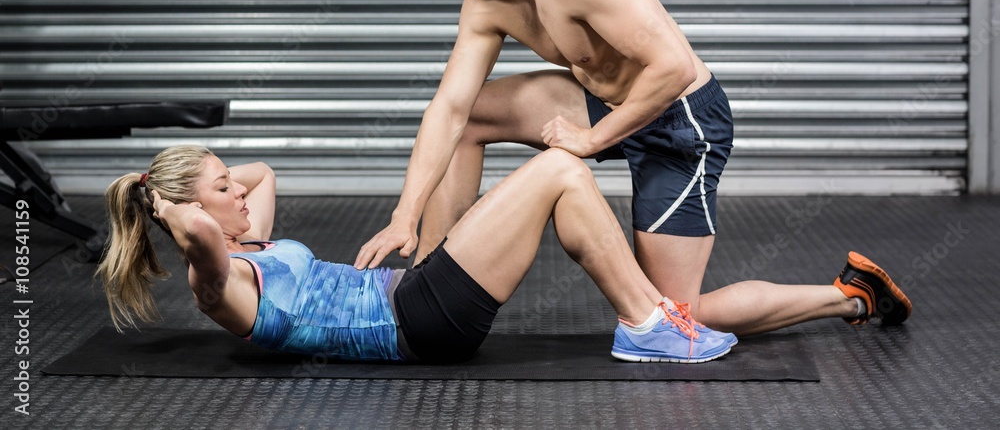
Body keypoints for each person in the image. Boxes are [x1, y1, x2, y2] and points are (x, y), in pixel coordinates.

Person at [355, 0, 912, 335]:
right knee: (472, 113)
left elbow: (674, 67)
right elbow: (449, 109)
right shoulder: (486, 2)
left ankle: (849, 296)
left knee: (677, 314)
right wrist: (405, 215)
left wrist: (593, 140)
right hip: (604, 102)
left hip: (681, 121)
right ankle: (423, 290)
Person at [96, 144, 740, 364]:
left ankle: (650, 318)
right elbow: (202, 235)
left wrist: (210, 182)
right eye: (221, 188)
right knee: (560, 170)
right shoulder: (217, 279)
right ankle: (647, 325)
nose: (238, 189)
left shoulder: (250, 240)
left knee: (559, 179)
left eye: (226, 180)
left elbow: (263, 172)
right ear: (191, 214)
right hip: (417, 322)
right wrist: (168, 203)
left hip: (414, 293)